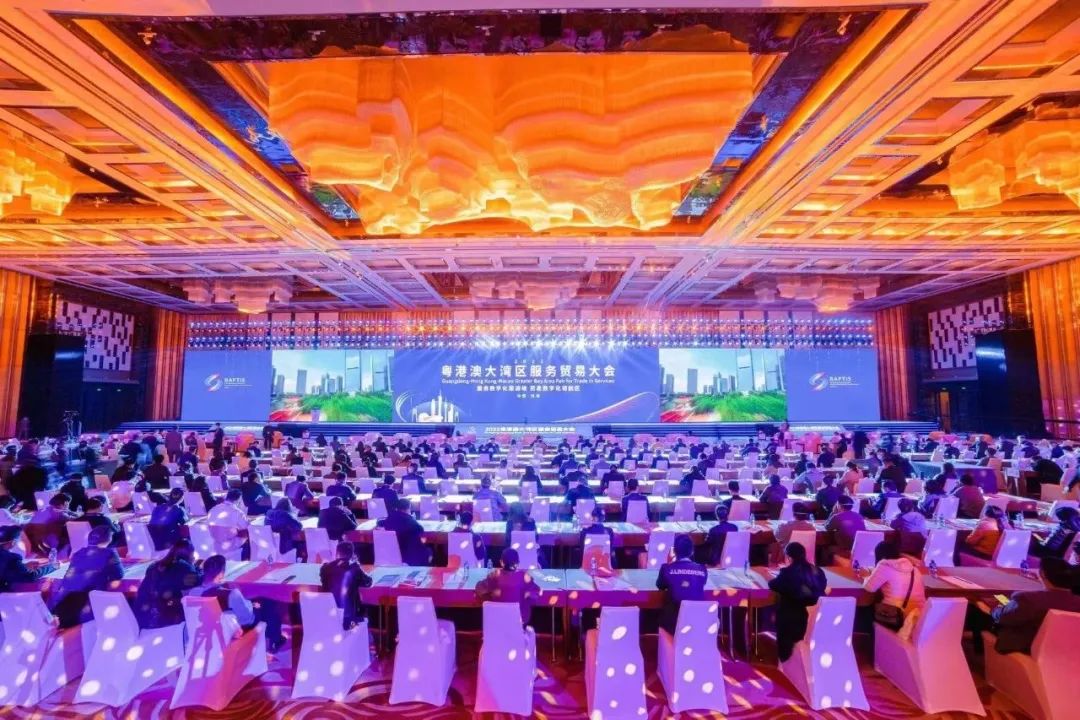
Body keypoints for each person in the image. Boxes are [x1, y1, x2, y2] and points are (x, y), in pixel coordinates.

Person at [194, 554, 285, 651]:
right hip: (235, 627)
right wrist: (251, 605)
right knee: (269, 603)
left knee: (256, 601)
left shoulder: (194, 592)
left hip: (209, 627)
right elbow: (247, 618)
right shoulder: (232, 594)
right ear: (220, 574)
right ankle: (276, 640)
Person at [989, 556, 1080, 654]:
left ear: (1042, 573)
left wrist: (997, 607)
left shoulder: (1027, 599)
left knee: (984, 617)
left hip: (1025, 649)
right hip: (1065, 651)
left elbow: (1003, 617)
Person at [50, 525, 124, 627]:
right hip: (86, 610)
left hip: (60, 608)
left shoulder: (78, 553)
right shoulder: (110, 553)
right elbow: (119, 574)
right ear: (109, 538)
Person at [768, 542, 827, 661]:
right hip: (813, 617)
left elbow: (773, 585)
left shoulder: (787, 573)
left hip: (792, 619)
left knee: (783, 606)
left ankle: (784, 661)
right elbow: (823, 586)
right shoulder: (818, 571)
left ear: (789, 558)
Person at [133, 539, 201, 628]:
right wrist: (192, 565)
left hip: (143, 617)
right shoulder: (184, 567)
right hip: (166, 619)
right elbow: (200, 583)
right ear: (190, 554)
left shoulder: (154, 565)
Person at [864, 542, 926, 640]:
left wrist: (867, 577)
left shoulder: (884, 565)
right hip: (916, 618)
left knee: (864, 610)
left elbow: (869, 587)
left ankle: (872, 644)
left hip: (894, 617)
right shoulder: (915, 569)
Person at [656, 535, 706, 635]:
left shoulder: (666, 568)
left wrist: (669, 564)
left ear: (674, 551)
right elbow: (701, 584)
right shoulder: (702, 569)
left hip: (672, 624)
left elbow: (660, 585)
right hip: (698, 622)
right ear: (692, 551)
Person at [475, 547, 537, 623]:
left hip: (496, 623)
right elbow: (535, 595)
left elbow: (479, 589)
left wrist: (492, 595)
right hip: (519, 624)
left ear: (501, 562)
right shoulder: (524, 577)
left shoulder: (494, 576)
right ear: (518, 563)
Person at [320, 541, 373, 630]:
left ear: (336, 553)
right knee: (365, 611)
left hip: (329, 617)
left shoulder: (325, 568)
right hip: (349, 620)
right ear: (352, 555)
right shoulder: (354, 568)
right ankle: (364, 635)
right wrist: (356, 565)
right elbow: (368, 582)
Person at [0, 525, 56, 590]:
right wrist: (53, 567)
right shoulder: (12, 558)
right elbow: (31, 576)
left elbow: (7, 570)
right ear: (13, 542)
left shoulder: (8, 558)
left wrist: (23, 566)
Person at [378, 498, 431, 566]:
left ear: (397, 508)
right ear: (409, 508)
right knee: (430, 550)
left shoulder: (389, 519)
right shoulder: (415, 525)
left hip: (390, 555)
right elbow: (422, 542)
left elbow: (380, 523)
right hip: (410, 558)